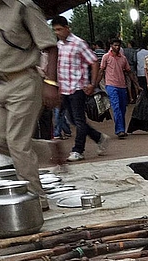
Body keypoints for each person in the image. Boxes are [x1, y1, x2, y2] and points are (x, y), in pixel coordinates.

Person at [0, 0, 59, 210]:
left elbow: (50, 46)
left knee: (17, 143)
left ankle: (36, 199)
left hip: (25, 81)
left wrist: (50, 83)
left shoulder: (24, 6)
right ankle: (51, 150)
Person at [51, 16, 109, 162]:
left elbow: (94, 61)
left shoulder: (78, 43)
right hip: (64, 88)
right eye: (55, 30)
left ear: (67, 28)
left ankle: (78, 150)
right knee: (73, 120)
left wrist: (92, 83)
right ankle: (99, 137)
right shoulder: (58, 46)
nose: (57, 32)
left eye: (59, 29)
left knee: (79, 120)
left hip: (78, 87)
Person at [99, 39, 141, 139]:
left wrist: (137, 85)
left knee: (122, 109)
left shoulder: (123, 58)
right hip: (111, 85)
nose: (117, 47)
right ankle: (120, 130)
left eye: (118, 45)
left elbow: (129, 72)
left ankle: (121, 129)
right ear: (111, 46)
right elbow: (101, 71)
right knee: (116, 107)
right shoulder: (106, 57)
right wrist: (95, 84)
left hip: (122, 86)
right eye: (115, 45)